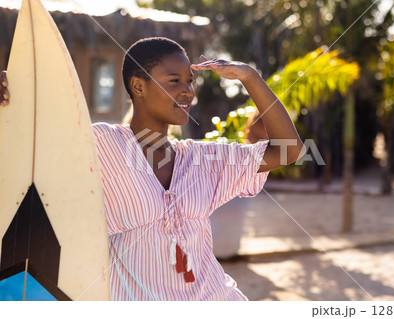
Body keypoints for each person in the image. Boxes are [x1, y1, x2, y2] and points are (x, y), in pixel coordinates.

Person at [0, 37, 303, 300]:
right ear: (138, 86)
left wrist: (249, 76)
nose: (188, 91)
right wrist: (10, 104)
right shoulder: (101, 145)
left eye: (190, 81)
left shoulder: (204, 160)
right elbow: (27, 144)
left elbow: (290, 150)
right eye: (174, 81)